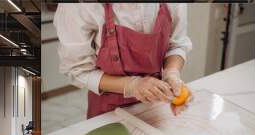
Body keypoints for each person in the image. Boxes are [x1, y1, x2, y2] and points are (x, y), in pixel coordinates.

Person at [54, 3, 192, 118]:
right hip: (108, 113)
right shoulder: (78, 7)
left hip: (156, 106)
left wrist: (172, 73)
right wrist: (132, 85)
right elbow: (77, 70)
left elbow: (176, 44)